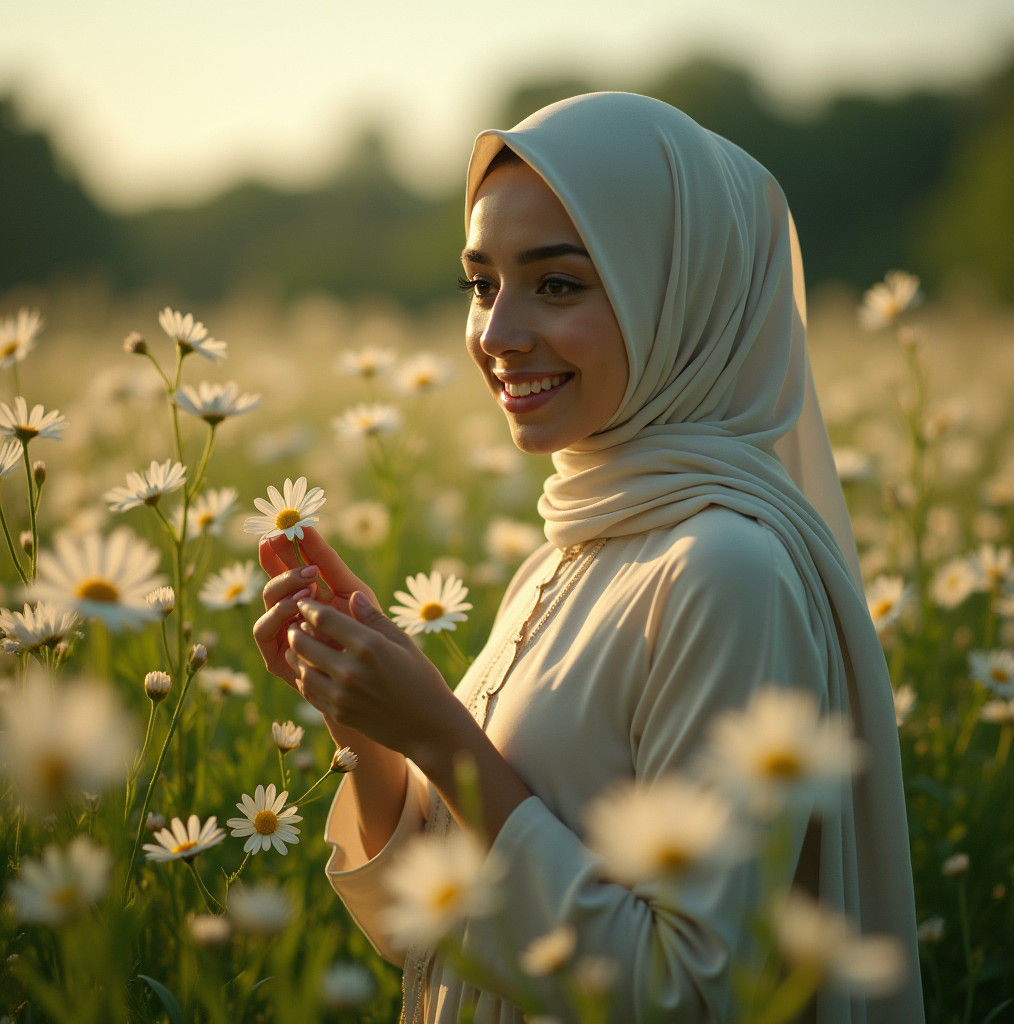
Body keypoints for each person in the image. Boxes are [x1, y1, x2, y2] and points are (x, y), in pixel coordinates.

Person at [253, 92, 925, 1023]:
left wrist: (441, 737)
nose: (496, 334)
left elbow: (693, 988)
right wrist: (368, 727)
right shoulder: (566, 554)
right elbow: (430, 930)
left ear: (679, 295)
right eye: (480, 283)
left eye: (558, 284)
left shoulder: (724, 570)